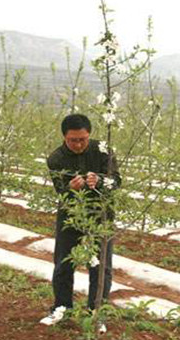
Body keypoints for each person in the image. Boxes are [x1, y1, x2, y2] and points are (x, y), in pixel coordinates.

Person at [40, 114, 121, 327]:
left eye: (82, 139)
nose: (78, 144)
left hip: (101, 214)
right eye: (73, 140)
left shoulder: (103, 150)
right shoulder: (56, 159)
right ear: (64, 138)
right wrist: (70, 189)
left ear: (89, 135)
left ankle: (96, 313)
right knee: (64, 262)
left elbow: (117, 181)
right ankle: (62, 308)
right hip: (71, 214)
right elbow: (61, 192)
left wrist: (102, 180)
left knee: (101, 266)